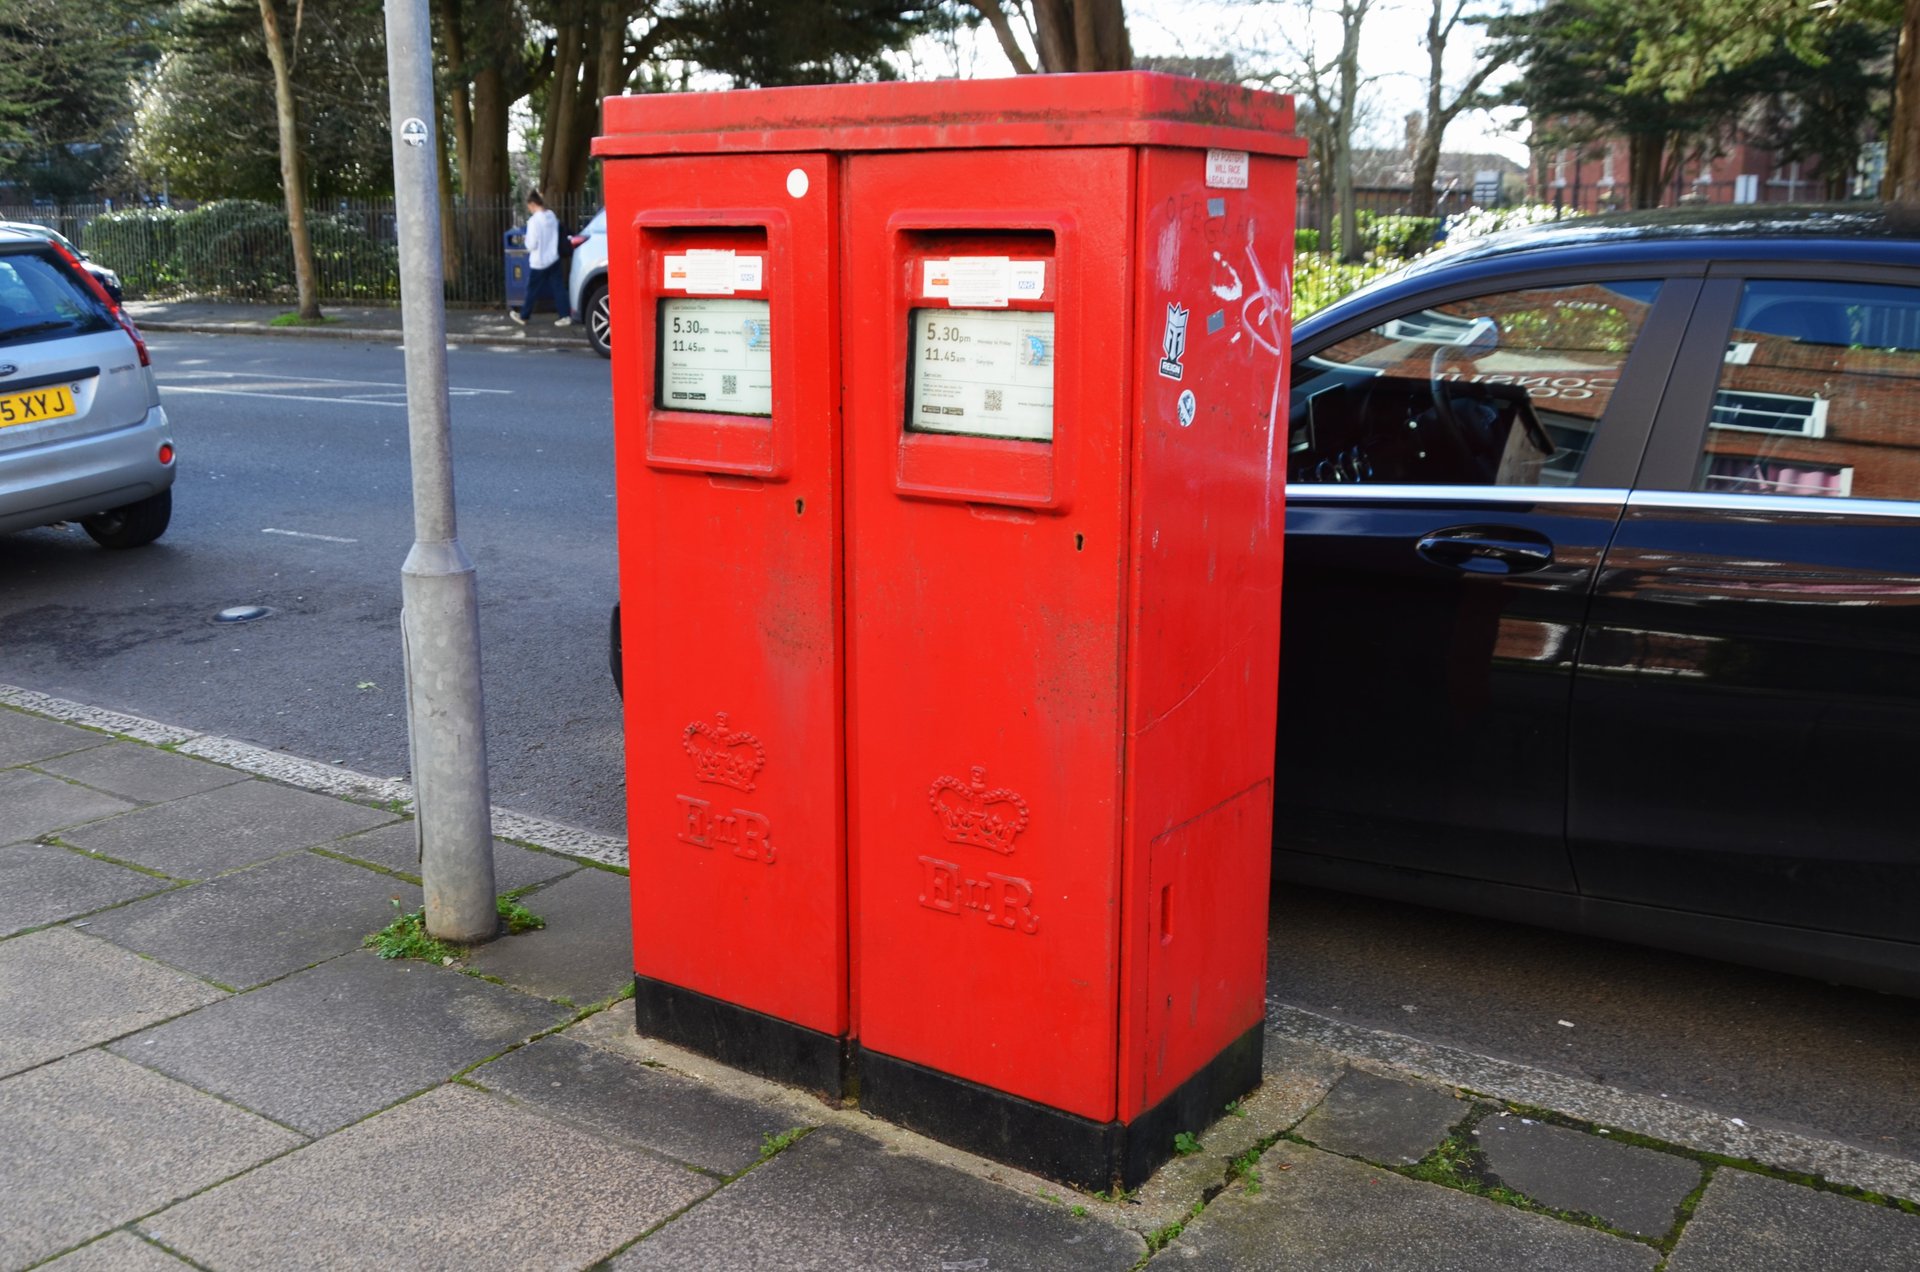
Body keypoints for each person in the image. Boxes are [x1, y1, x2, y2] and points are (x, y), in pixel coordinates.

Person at [511, 192, 572, 327]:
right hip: (553, 258)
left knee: (532, 290)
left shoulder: (534, 222)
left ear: (533, 204)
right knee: (559, 288)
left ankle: (524, 316)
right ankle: (565, 316)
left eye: (529, 207)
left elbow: (531, 245)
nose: (529, 210)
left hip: (539, 261)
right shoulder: (551, 216)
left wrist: (526, 241)